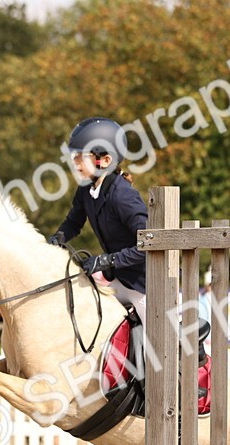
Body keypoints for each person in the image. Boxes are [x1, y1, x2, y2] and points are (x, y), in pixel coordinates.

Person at [47, 117, 148, 322]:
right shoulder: (86, 190)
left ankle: (189, 351)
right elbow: (73, 223)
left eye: (80, 157)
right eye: (74, 157)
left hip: (146, 284)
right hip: (118, 280)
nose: (75, 163)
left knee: (162, 343)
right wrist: (54, 242)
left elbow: (147, 245)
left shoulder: (123, 196)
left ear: (105, 160)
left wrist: (107, 260)